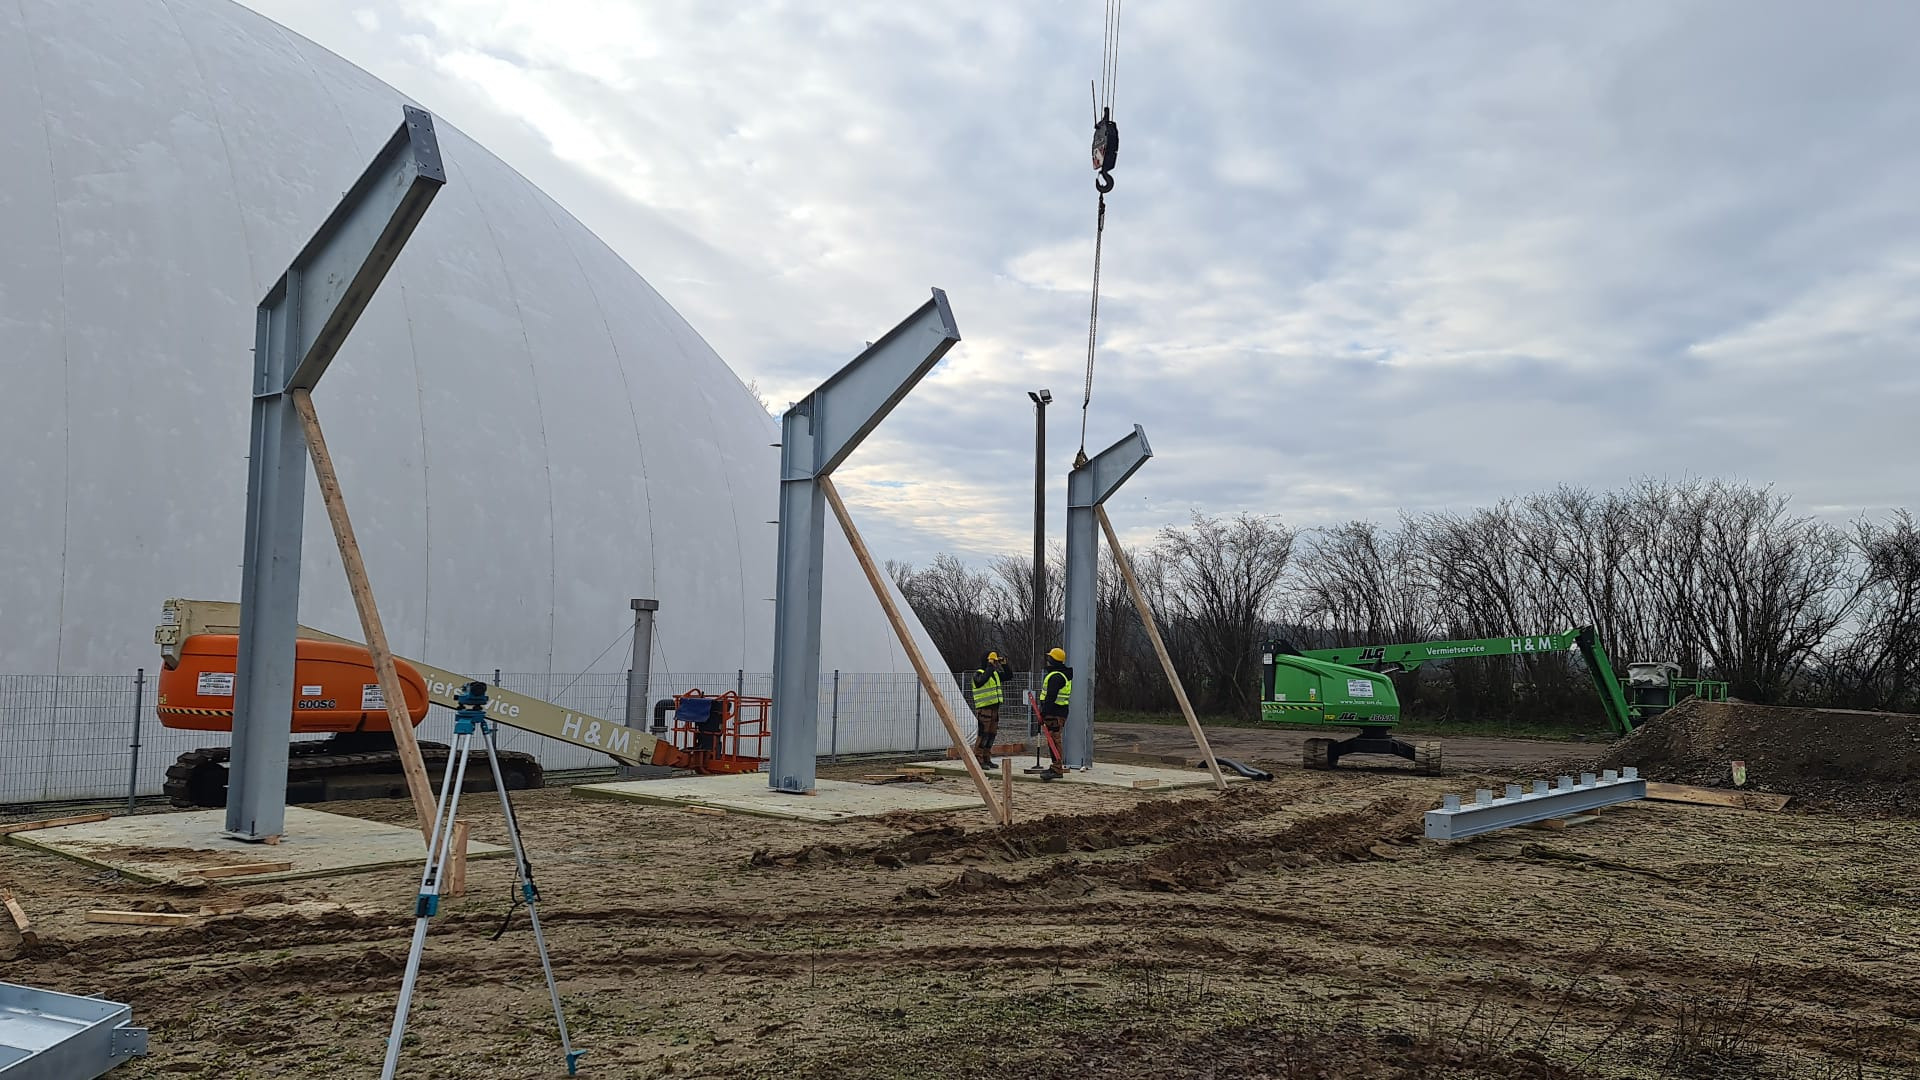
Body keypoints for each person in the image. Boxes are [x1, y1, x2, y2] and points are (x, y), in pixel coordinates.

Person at [969, 651, 1012, 767]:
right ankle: (978, 759)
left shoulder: (995, 674)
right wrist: (989, 668)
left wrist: (1005, 665)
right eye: (993, 661)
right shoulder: (979, 673)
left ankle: (986, 758)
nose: (995, 664)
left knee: (991, 735)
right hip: (984, 709)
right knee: (983, 735)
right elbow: (979, 682)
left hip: (994, 709)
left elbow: (1009, 676)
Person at [1037, 646, 1073, 778]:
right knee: (1053, 739)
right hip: (1058, 712)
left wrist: (1043, 713)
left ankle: (1056, 768)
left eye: (1049, 658)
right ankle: (1055, 766)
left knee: (1054, 740)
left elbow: (1050, 697)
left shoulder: (1056, 677)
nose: (1047, 660)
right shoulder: (1062, 674)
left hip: (1054, 713)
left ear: (1053, 660)